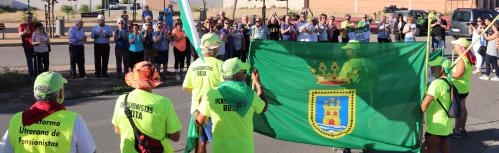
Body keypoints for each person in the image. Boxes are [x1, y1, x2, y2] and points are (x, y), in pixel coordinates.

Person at [0, 72, 97, 153]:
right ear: (60, 94)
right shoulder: (74, 121)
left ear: (35, 93)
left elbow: (5, 150)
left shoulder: (17, 119)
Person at [196, 57, 267, 153]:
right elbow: (263, 107)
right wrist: (258, 84)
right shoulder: (250, 94)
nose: (245, 74)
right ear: (237, 75)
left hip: (220, 149)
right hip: (244, 149)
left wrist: (199, 108)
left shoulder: (211, 94)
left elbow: (199, 121)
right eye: (243, 72)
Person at [112, 61, 182, 153]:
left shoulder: (122, 99)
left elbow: (117, 130)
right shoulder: (163, 102)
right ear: (153, 78)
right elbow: (175, 136)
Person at [183, 33, 224, 153]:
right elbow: (226, 88)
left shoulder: (194, 64)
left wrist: (199, 89)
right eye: (217, 46)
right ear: (213, 48)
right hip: (214, 110)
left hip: (197, 110)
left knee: (201, 141)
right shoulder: (220, 65)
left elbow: (185, 87)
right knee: (219, 143)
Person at [421, 56, 453, 153]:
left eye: (434, 67)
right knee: (444, 149)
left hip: (436, 125)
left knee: (429, 150)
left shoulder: (436, 83)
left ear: (442, 69)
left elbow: (424, 105)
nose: (431, 69)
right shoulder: (449, 81)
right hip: (446, 124)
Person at [449, 38, 473, 138]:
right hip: (464, 87)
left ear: (462, 47)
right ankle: (462, 129)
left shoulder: (462, 59)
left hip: (458, 87)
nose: (454, 46)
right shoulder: (466, 57)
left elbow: (458, 74)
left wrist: (448, 73)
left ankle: (457, 131)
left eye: (456, 44)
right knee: (462, 107)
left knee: (458, 109)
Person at [18, 12, 36, 78]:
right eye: (28, 17)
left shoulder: (35, 24)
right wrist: (25, 32)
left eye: (31, 17)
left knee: (36, 60)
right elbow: (20, 34)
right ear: (25, 18)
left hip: (35, 45)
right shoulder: (22, 25)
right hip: (27, 45)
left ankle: (37, 74)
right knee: (29, 60)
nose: (29, 18)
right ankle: (31, 74)